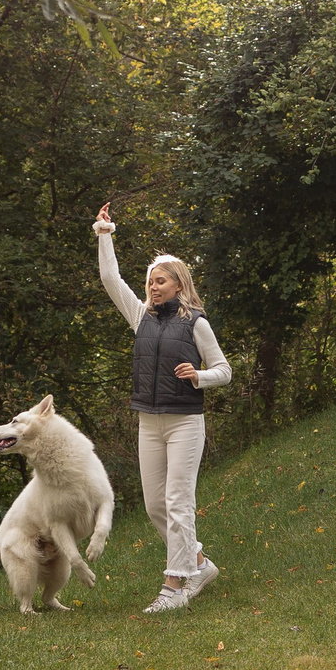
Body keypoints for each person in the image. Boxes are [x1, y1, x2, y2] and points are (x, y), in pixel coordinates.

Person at [93, 202, 231, 612]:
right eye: (151, 281)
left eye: (162, 281)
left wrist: (198, 376)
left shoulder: (196, 323)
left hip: (185, 422)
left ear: (179, 285)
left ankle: (174, 586)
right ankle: (199, 565)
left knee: (178, 501)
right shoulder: (141, 318)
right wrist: (105, 234)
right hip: (148, 423)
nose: (153, 287)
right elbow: (109, 278)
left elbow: (224, 370)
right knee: (155, 505)